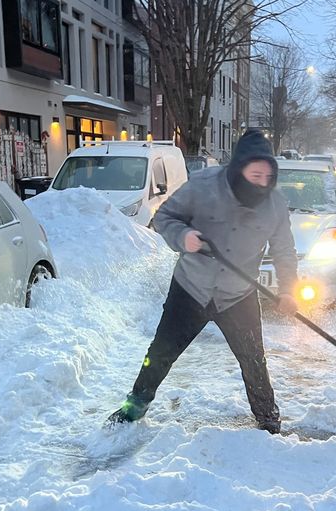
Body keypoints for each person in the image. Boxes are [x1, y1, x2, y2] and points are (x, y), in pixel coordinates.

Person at [108, 130, 299, 434]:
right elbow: (164, 217)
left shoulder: (275, 205)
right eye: (255, 174)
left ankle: (268, 419)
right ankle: (135, 406)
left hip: (238, 295)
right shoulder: (202, 186)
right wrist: (183, 236)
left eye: (268, 176)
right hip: (191, 288)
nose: (262, 182)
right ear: (239, 168)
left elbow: (284, 250)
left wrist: (288, 290)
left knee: (253, 360)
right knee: (160, 353)